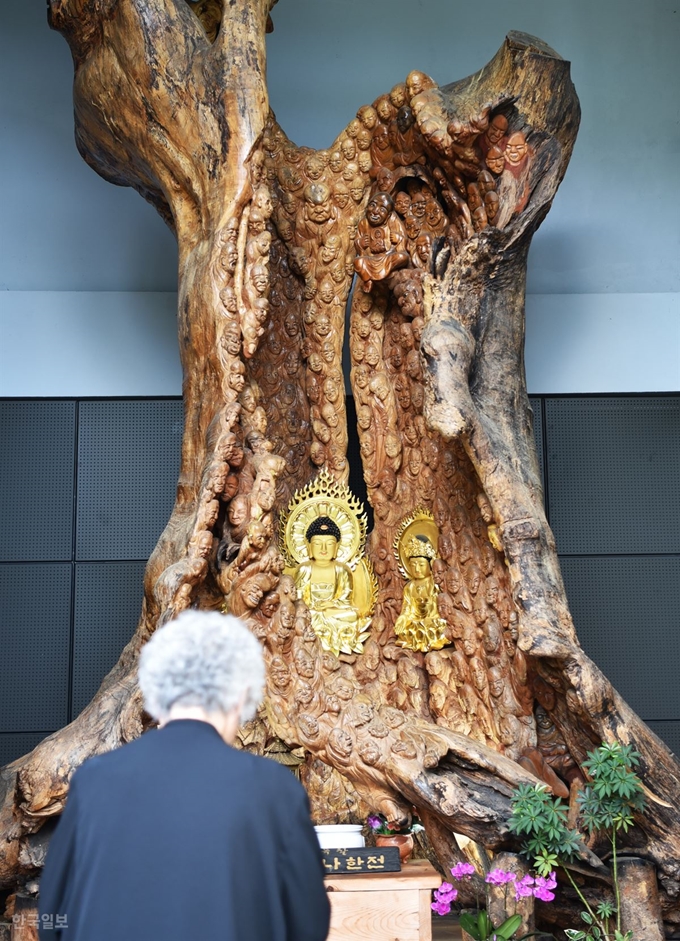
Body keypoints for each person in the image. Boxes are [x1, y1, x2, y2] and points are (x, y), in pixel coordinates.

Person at [39, 611, 330, 941]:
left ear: (155, 691)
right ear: (240, 695)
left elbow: (52, 912)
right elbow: (309, 922)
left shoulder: (94, 781)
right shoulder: (274, 790)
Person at [293, 515, 369, 656]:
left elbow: (346, 599)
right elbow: (298, 599)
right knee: (301, 616)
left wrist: (329, 605)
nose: (323, 548)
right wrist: (312, 607)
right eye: (317, 543)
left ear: (337, 547)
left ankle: (328, 636)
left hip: (332, 611)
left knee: (352, 615)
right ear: (309, 546)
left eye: (329, 544)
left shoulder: (342, 570)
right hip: (312, 612)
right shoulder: (304, 569)